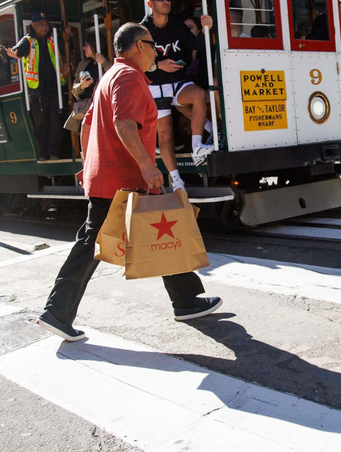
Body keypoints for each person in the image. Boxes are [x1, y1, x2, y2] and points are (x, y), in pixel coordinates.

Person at [37, 23, 222, 342]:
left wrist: (87, 163)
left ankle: (186, 300)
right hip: (121, 179)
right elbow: (124, 124)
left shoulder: (110, 76)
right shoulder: (129, 77)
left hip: (112, 175)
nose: (157, 51)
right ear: (139, 46)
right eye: (153, 46)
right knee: (91, 244)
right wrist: (148, 167)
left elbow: (86, 124)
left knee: (162, 229)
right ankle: (57, 311)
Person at [140, 0, 214, 190]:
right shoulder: (142, 30)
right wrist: (157, 65)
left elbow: (196, 45)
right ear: (150, 4)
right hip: (155, 86)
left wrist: (207, 28)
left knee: (199, 95)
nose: (166, 1)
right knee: (165, 136)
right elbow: (134, 60)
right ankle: (176, 180)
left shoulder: (178, 25)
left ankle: (197, 146)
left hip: (177, 83)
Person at [6, 12, 66, 160]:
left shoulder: (53, 39)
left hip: (55, 88)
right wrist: (14, 53)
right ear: (33, 25)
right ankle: (43, 153)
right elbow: (18, 50)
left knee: (56, 121)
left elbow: (65, 50)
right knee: (41, 124)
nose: (44, 28)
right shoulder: (28, 41)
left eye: (46, 24)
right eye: (40, 25)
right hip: (37, 91)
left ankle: (54, 153)